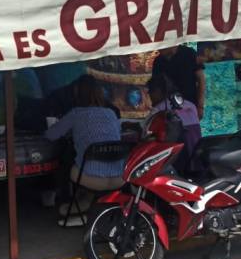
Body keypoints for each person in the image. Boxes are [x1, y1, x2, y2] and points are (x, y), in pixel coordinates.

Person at [45, 75, 124, 225]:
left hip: (90, 177)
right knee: (84, 157)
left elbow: (51, 135)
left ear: (77, 93)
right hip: (118, 178)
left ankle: (68, 204)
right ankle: (85, 204)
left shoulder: (76, 114)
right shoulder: (111, 113)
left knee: (67, 162)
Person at [142, 77, 203, 176]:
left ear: (158, 91)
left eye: (150, 92)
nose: (149, 96)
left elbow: (145, 133)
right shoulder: (191, 106)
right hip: (196, 162)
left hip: (176, 165)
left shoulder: (158, 110)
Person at [151, 45, 206, 120]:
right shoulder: (158, 61)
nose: (158, 48)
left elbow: (201, 80)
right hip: (169, 111)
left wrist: (200, 106)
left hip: (190, 107)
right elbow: (156, 88)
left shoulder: (189, 53)